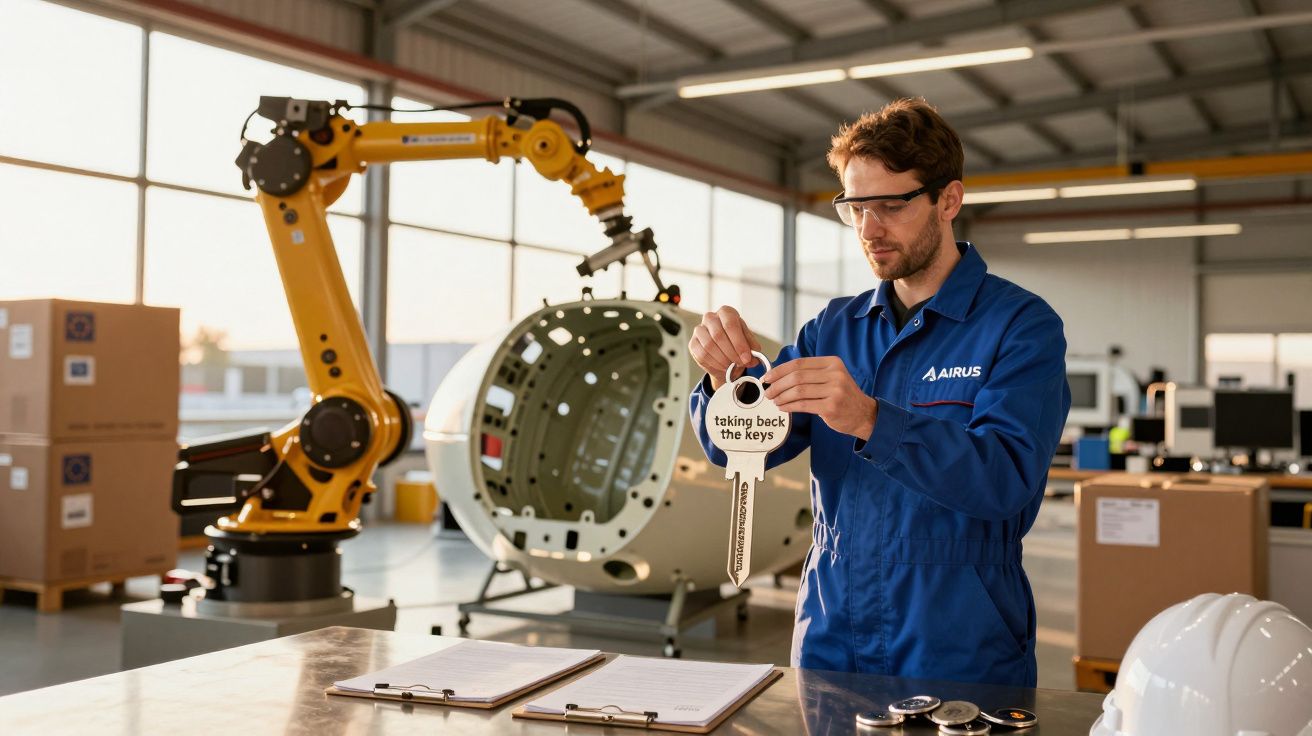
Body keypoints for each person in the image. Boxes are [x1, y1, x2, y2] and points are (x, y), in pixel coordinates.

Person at [687, 97, 1071, 687]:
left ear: (949, 199)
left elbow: (1006, 479)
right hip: (831, 636)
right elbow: (743, 450)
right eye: (855, 207)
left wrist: (871, 418)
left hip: (958, 644)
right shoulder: (830, 330)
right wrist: (723, 384)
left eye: (891, 205)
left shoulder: (1020, 326)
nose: (869, 229)